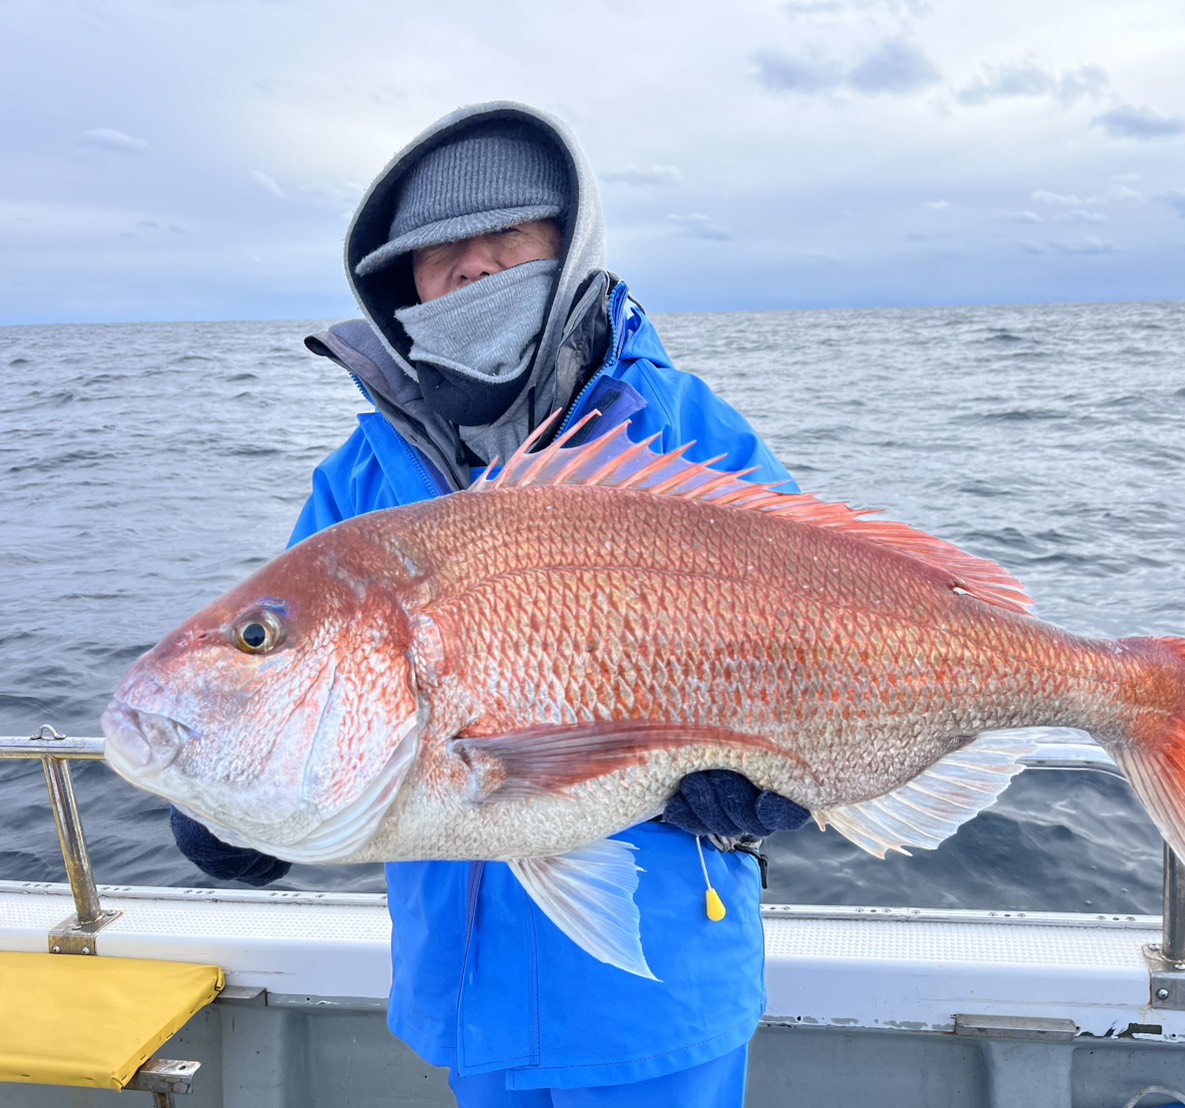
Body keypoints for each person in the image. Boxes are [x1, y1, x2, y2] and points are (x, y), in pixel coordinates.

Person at [169, 100, 810, 1105]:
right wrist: (232, 798)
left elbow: (836, 626)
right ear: (401, 284)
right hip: (465, 994)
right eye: (436, 251)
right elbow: (303, 672)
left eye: (504, 232)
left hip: (660, 991)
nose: (469, 265)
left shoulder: (688, 432)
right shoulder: (358, 477)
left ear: (568, 243)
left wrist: (796, 784)